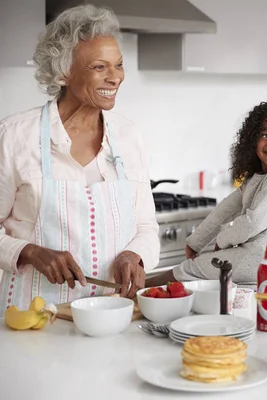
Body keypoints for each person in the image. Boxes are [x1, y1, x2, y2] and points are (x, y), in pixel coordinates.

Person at [0, 4, 159, 308]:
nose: (116, 78)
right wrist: (30, 252)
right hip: (34, 318)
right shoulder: (15, 136)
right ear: (64, 73)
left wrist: (134, 254)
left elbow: (146, 226)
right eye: (100, 67)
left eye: (119, 65)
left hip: (114, 313)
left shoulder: (129, 137)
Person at [146, 101, 267, 291]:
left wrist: (223, 241)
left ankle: (139, 290)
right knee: (208, 275)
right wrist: (197, 241)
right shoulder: (259, 179)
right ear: (253, 141)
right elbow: (226, 209)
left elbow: (253, 222)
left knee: (192, 268)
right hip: (264, 261)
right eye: (265, 135)